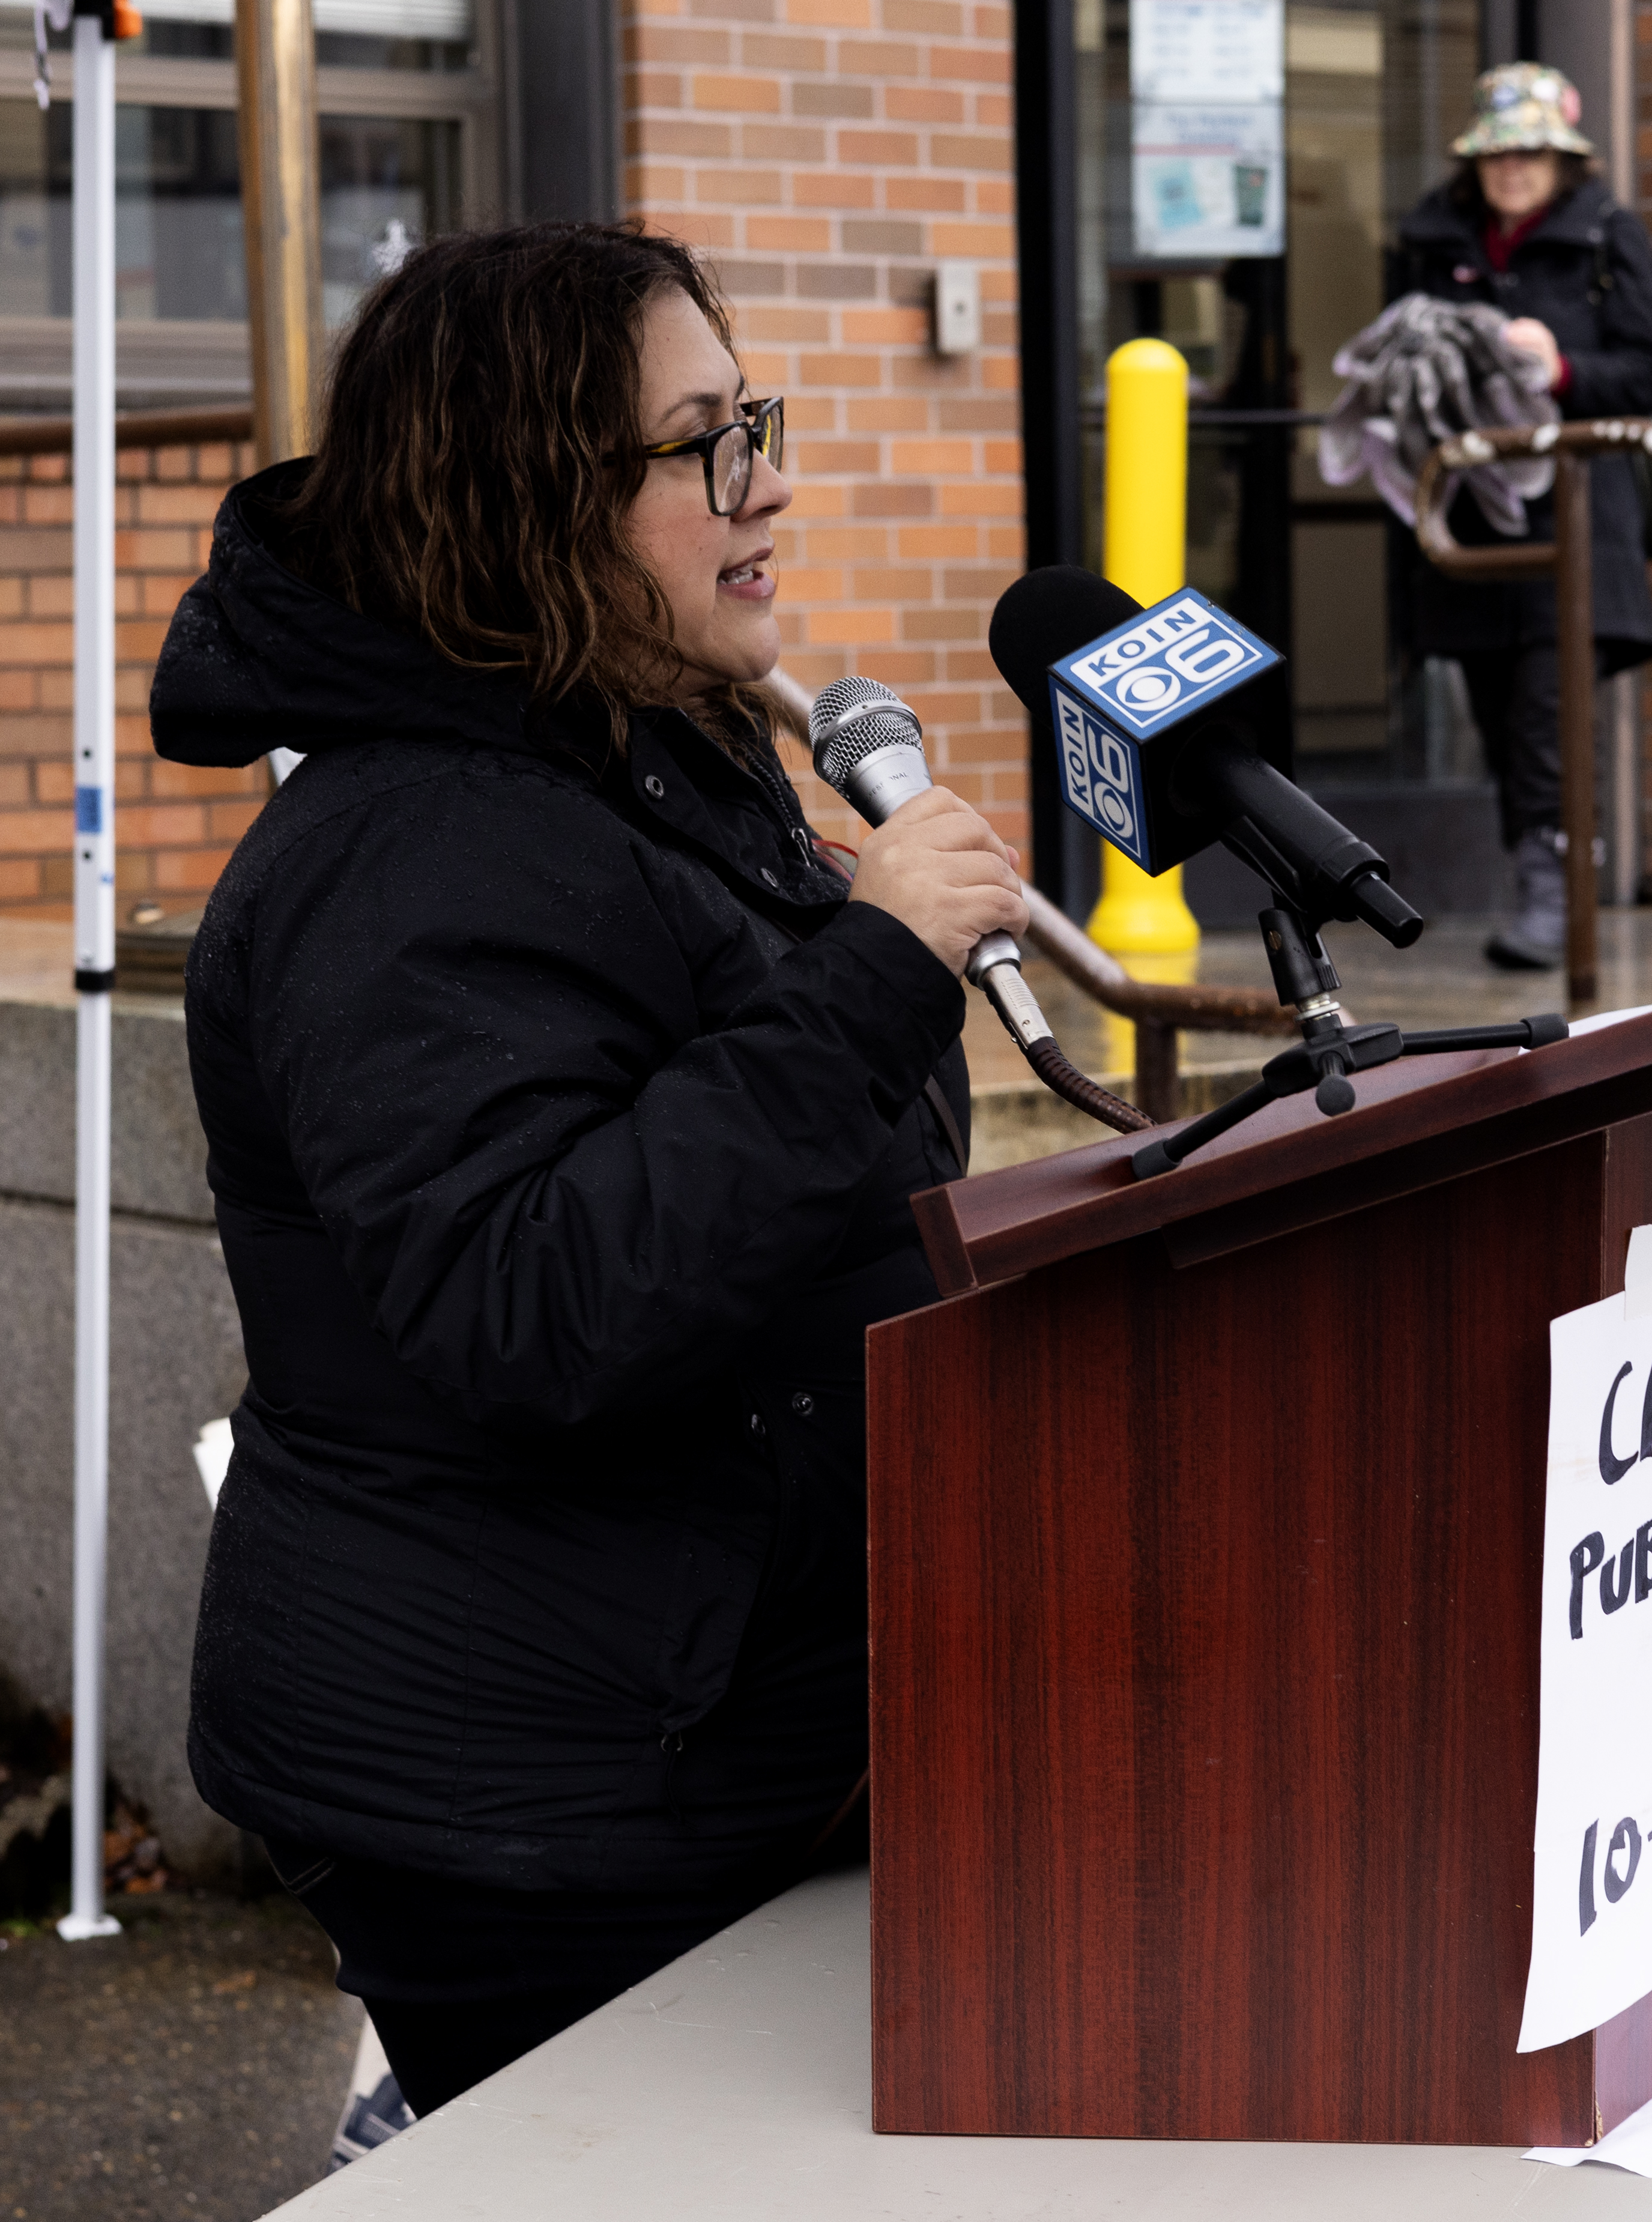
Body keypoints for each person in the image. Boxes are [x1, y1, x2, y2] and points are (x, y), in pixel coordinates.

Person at [147, 222, 1027, 2119]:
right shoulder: (416, 851)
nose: (767, 480)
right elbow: (531, 1302)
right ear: (537, 494)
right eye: (700, 441)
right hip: (525, 1784)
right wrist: (874, 975)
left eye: (756, 422)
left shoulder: (639, 746)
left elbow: (815, 1177)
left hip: (699, 1711)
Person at [1393, 62, 1652, 971]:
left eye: (1530, 153)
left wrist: (1557, 369)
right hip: (1473, 524)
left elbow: (1647, 375)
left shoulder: (1608, 236)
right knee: (1495, 710)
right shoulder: (1433, 240)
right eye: (1497, 154)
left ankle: (1559, 893)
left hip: (1578, 522)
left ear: (1562, 159)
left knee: (1552, 716)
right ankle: (1539, 884)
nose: (1512, 169)